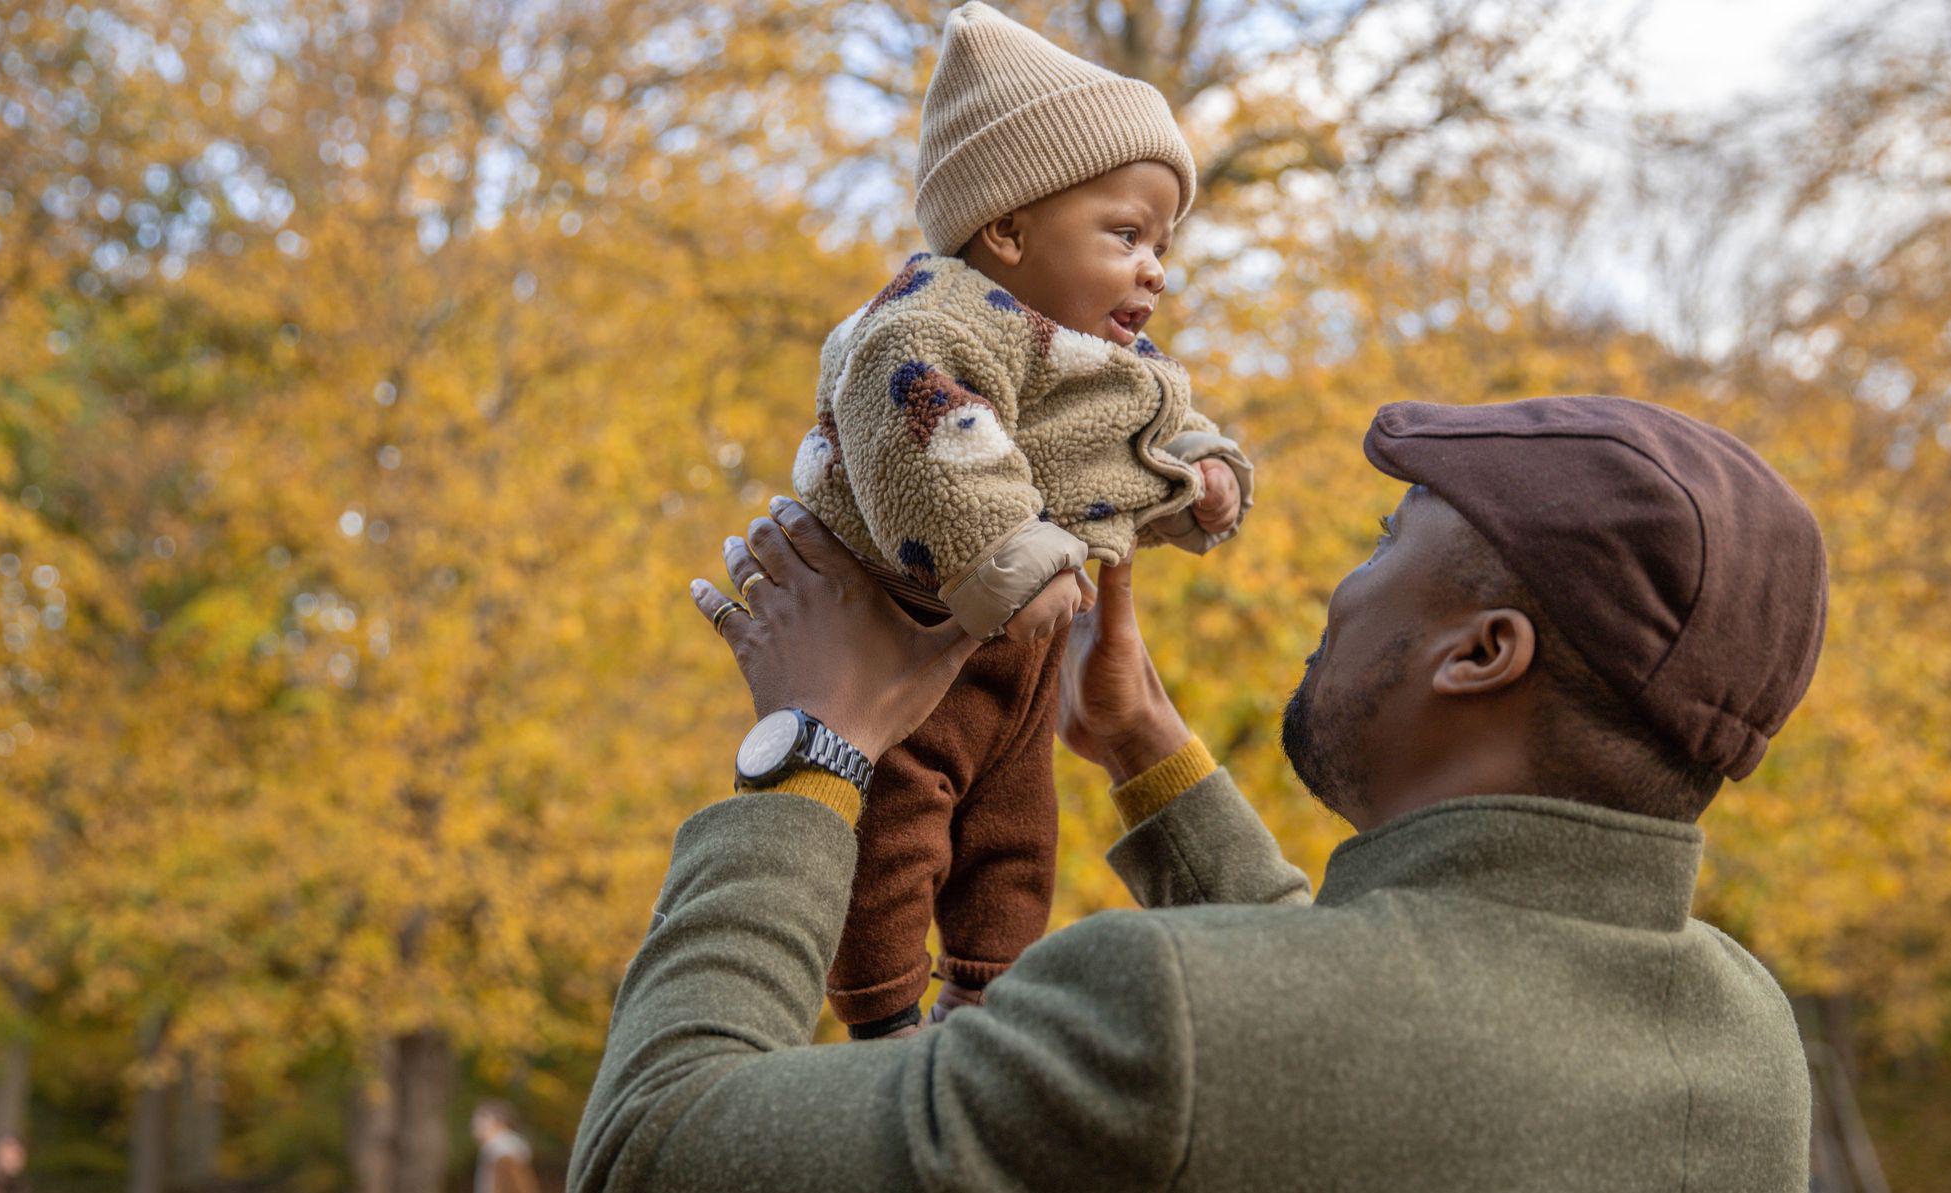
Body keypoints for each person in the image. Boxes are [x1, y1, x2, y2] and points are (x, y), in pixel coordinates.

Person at [573, 395, 1827, 1190]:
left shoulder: (1163, 1015)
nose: (1343, 585)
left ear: (1482, 652)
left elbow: (652, 1144)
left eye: (1388, 540)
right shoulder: (1741, 1037)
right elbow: (1369, 1023)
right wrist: (1143, 747)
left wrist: (814, 742)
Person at [780, 2, 1252, 1039]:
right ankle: (883, 1013)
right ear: (1008, 228)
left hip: (1025, 650)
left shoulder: (1088, 352)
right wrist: (1002, 552)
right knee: (897, 826)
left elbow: (1148, 420)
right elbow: (927, 430)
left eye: (1163, 243)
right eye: (1125, 235)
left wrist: (1205, 473)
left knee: (1015, 829)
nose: (1155, 268)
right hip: (909, 632)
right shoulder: (924, 318)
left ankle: (991, 985)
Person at [469, 1101, 539, 1193]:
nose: (474, 1125)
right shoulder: (499, 1147)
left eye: (480, 1120)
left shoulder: (503, 1148)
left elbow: (520, 1185)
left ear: (497, 1121)